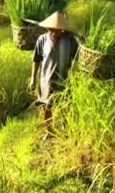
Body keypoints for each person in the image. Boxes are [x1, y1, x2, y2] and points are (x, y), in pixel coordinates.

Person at [29, 11, 79, 139]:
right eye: (51, 29)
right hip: (46, 80)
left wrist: (83, 40)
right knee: (46, 107)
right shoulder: (42, 40)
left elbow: (79, 57)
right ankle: (49, 131)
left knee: (66, 106)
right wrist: (33, 79)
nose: (54, 32)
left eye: (57, 30)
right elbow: (36, 60)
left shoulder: (70, 41)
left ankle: (66, 129)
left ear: (62, 30)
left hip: (64, 80)